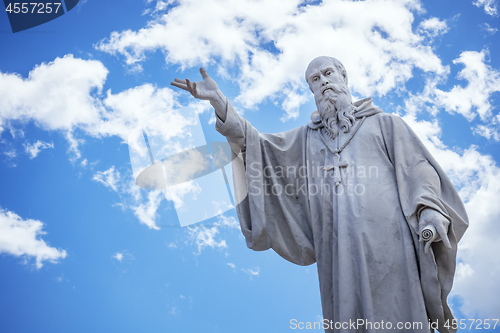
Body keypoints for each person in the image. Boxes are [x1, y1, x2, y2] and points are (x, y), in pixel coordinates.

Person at [171, 56, 468, 333]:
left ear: (343, 77)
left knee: (397, 309)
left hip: (390, 239)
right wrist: (220, 102)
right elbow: (256, 146)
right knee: (346, 314)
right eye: (315, 79)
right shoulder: (304, 139)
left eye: (328, 73)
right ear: (311, 88)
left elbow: (416, 167)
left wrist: (429, 208)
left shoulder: (385, 123)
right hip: (336, 247)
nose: (323, 81)